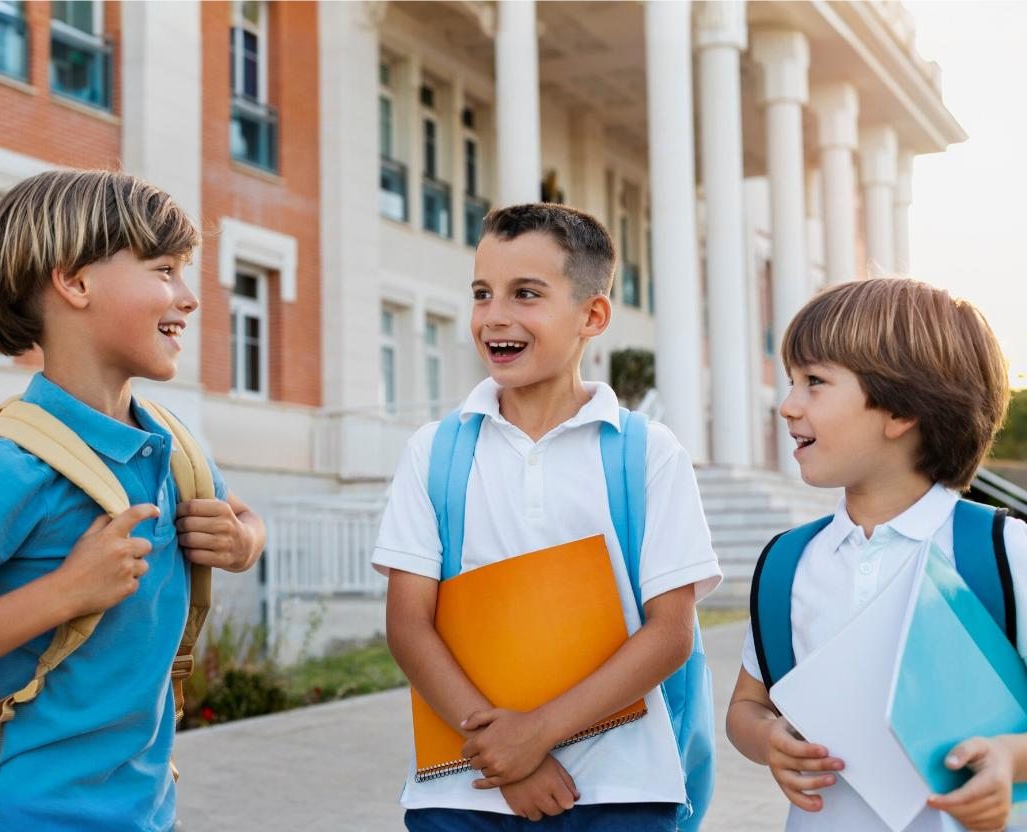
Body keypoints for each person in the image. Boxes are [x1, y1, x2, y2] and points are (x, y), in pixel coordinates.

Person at [0, 169, 266, 831]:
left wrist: (243, 541)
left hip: (147, 813)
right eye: (164, 270)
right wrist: (65, 593)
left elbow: (240, 517)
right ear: (75, 281)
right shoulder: (5, 467)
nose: (190, 298)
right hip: (17, 816)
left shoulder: (170, 444)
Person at [372, 203, 721, 830]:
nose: (495, 316)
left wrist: (535, 737)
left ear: (593, 315)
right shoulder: (436, 450)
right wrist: (508, 757)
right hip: (462, 791)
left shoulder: (647, 453)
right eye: (483, 293)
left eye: (525, 294)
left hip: (622, 789)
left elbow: (670, 633)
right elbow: (408, 625)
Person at [726, 278, 1027, 832]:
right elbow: (747, 706)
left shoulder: (1004, 553)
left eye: (814, 382)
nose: (787, 405)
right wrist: (769, 740)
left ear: (899, 411)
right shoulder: (787, 565)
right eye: (791, 381)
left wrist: (1010, 758)